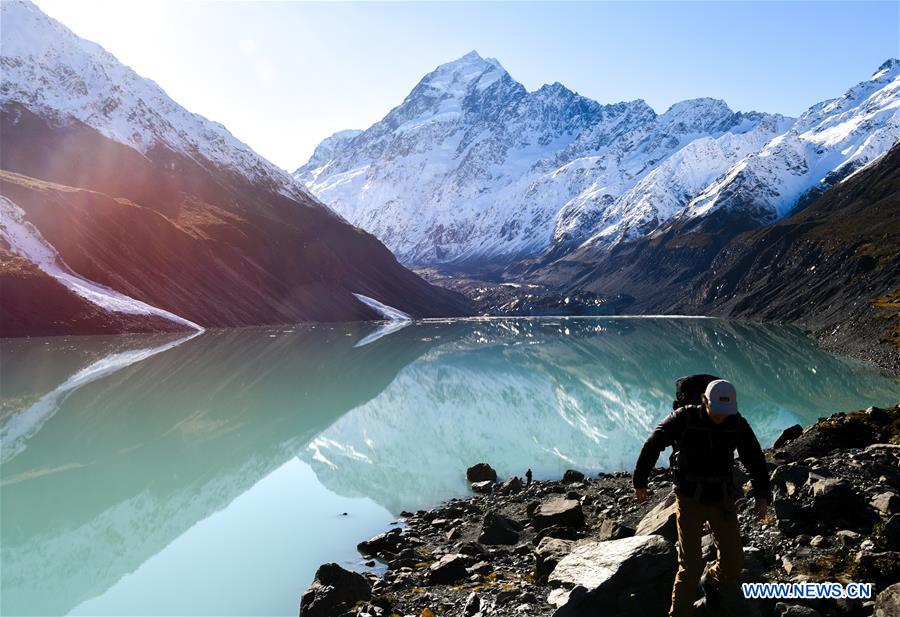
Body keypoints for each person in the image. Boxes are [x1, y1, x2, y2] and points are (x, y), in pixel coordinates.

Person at [632, 379, 770, 617]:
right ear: (704, 401)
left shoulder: (736, 423)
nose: (721, 417)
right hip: (690, 500)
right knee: (690, 567)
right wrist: (640, 482)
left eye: (726, 412)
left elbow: (754, 458)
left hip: (722, 499)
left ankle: (712, 581)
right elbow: (653, 444)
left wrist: (762, 495)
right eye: (717, 411)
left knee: (734, 563)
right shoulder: (683, 418)